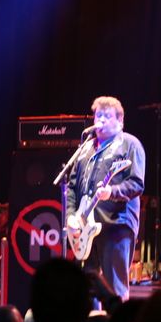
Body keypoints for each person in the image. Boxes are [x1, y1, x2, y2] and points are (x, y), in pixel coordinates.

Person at [66, 96, 145, 301]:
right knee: (86, 288)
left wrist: (112, 192)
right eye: (98, 115)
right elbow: (72, 187)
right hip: (86, 228)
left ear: (120, 121)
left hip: (116, 225)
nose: (100, 119)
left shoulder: (129, 144)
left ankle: (117, 321)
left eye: (107, 116)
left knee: (114, 289)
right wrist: (71, 216)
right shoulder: (85, 148)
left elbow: (136, 184)